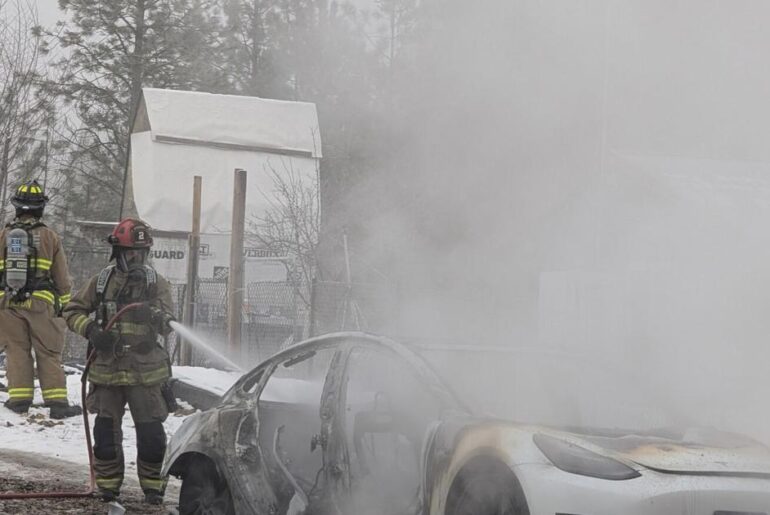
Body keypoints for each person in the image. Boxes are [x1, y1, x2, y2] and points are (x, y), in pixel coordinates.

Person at [63, 218, 176, 504]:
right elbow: (71, 311)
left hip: (145, 372)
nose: (136, 259)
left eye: (141, 253)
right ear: (118, 252)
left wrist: (153, 315)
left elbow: (169, 324)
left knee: (151, 434)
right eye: (130, 253)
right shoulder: (101, 282)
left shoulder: (156, 284)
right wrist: (91, 330)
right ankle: (109, 488)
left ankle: (153, 489)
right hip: (107, 370)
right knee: (105, 433)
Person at [0, 180, 81, 418]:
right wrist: (64, 305)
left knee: (16, 351)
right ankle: (57, 404)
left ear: (17, 206)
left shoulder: (3, 235)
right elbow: (62, 277)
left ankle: (19, 400)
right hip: (40, 304)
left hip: (7, 304)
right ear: (40, 208)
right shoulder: (49, 236)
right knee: (48, 351)